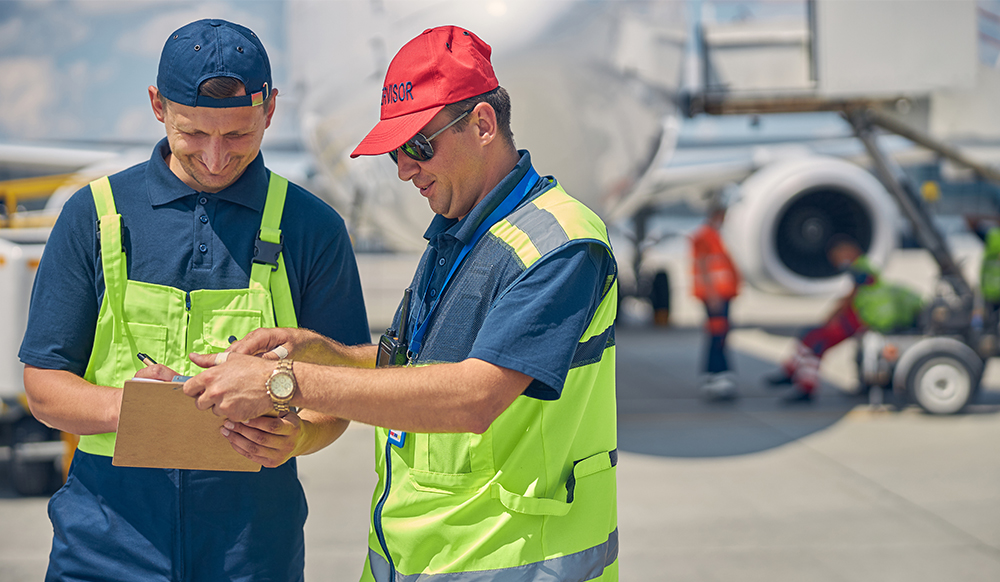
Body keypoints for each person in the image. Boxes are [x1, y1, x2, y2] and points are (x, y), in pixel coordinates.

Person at [183, 25, 619, 582]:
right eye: (395, 153)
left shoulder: (560, 244)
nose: (404, 169)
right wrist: (322, 352)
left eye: (418, 146)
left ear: (483, 124)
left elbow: (473, 398)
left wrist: (283, 383)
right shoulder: (459, 232)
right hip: (420, 560)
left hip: (512, 562)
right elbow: (416, 369)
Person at [18, 19, 369, 581]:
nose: (213, 157)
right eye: (192, 134)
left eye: (237, 137)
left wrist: (298, 434)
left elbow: (345, 385)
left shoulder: (313, 228)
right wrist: (135, 409)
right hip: (106, 543)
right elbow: (43, 386)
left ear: (271, 109)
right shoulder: (94, 215)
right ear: (158, 105)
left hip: (252, 549)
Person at [766, 237, 875, 403]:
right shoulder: (863, 266)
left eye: (836, 256)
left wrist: (833, 314)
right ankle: (791, 372)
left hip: (854, 321)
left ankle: (806, 386)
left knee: (817, 343)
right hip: (852, 319)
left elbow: (852, 297)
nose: (836, 261)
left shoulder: (860, 269)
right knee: (809, 336)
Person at [690, 198, 741, 401]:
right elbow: (703, 265)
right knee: (718, 336)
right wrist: (712, 294)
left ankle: (714, 375)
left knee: (718, 334)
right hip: (715, 296)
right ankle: (718, 377)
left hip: (722, 294)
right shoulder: (705, 236)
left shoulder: (715, 235)